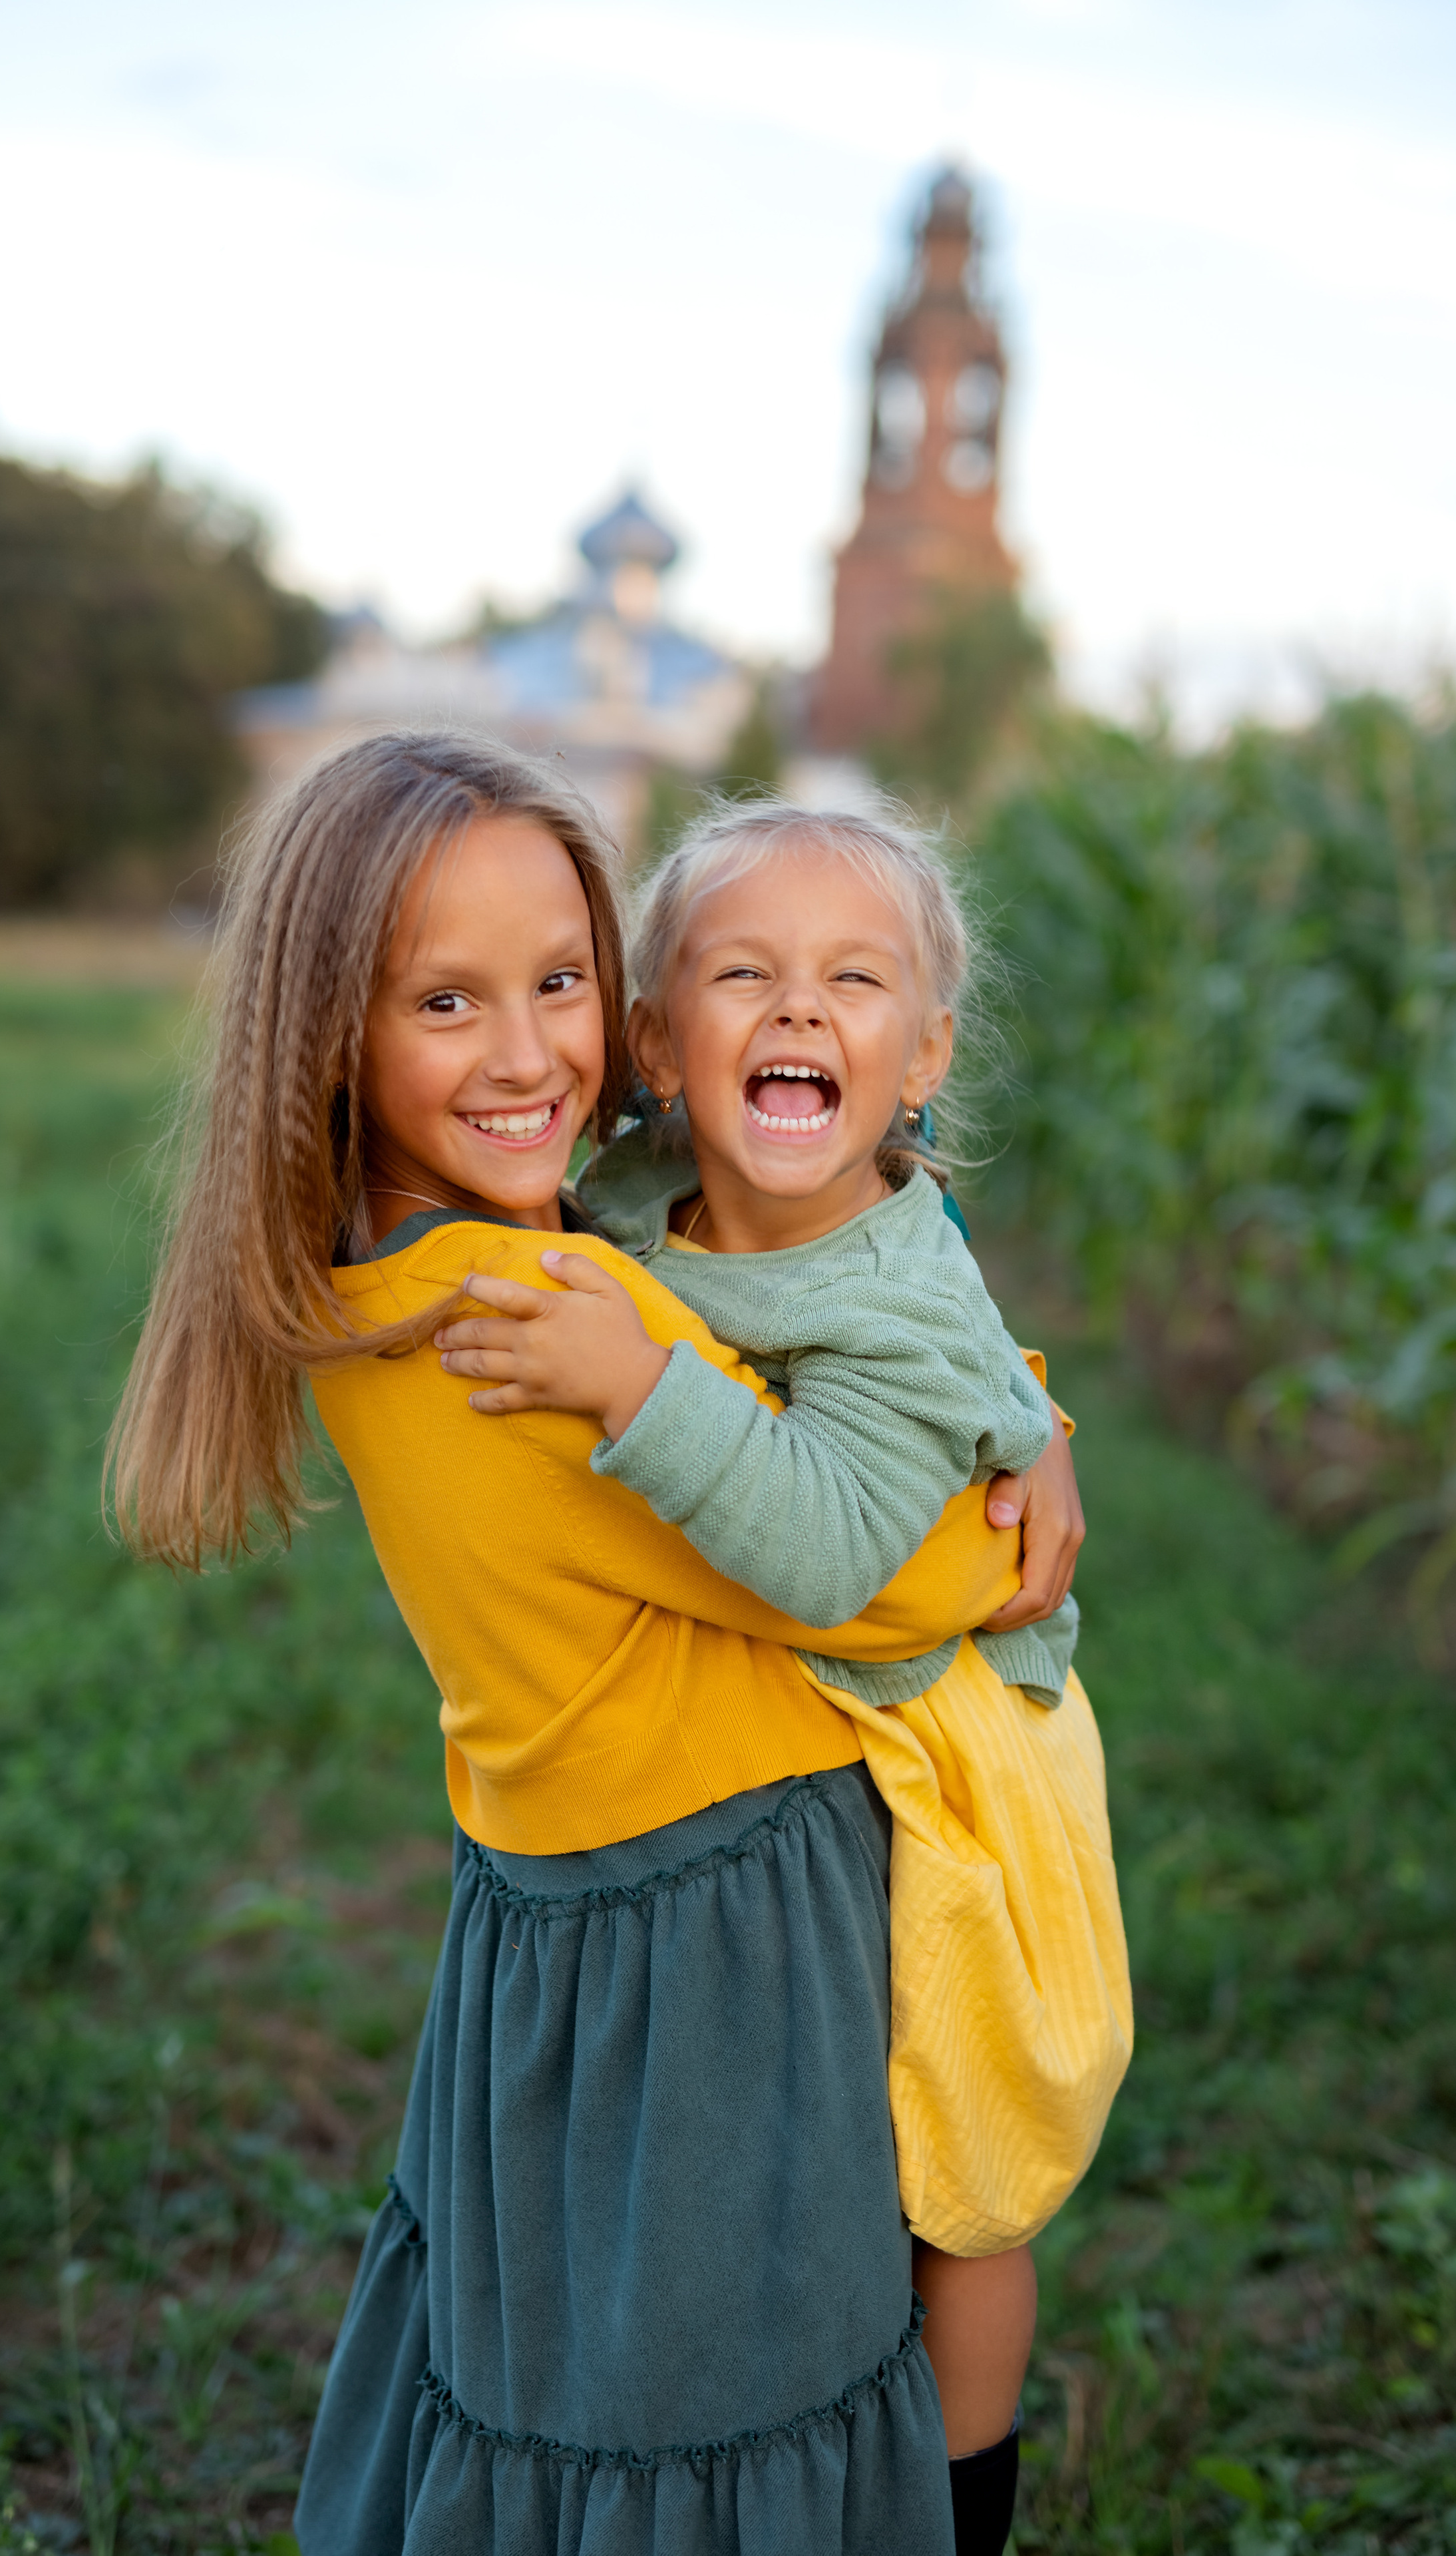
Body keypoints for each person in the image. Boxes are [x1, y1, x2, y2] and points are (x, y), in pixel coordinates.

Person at [108, 730, 1083, 2556]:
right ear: (331, 1038)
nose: (530, 1052)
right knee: (720, 2388)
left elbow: (862, 1329)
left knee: (592, 2357)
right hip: (708, 1930)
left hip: (574, 1910)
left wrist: (1029, 1417)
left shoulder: (424, 1259)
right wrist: (1023, 1444)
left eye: (560, 981)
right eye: (447, 1001)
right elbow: (903, 1571)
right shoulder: (545, 1317)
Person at [429, 800, 1133, 2542]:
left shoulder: (890, 1308)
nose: (801, 1012)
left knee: (956, 2186)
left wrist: (634, 1387)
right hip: (820, 1754)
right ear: (659, 1042)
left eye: (857, 982)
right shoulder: (648, 1200)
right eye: (746, 975)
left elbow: (829, 1556)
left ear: (922, 1058)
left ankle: (967, 2496)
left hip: (965, 1763)